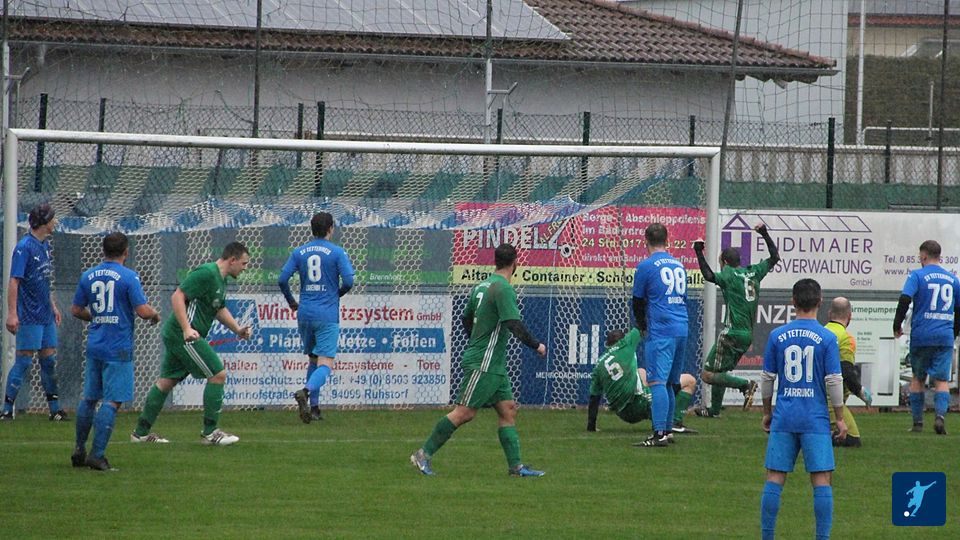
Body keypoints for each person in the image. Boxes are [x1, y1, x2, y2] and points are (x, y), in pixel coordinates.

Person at [410, 243, 547, 477]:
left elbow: (465, 319)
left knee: (508, 410)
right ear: (516, 263)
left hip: (494, 364)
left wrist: (476, 340)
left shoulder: (482, 286)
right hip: (485, 362)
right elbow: (512, 323)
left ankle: (516, 467)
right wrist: (536, 345)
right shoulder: (503, 288)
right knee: (464, 413)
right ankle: (423, 454)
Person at [130, 241, 252, 445]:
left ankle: (140, 434)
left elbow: (218, 308)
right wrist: (186, 328)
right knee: (218, 374)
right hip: (183, 334)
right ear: (232, 260)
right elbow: (177, 296)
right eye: (244, 263)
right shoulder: (207, 273)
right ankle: (210, 433)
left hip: (180, 333)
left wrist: (237, 329)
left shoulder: (220, 279)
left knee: (166, 382)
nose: (245, 268)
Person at [759, 278, 846, 540]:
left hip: (784, 416)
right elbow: (834, 381)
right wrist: (840, 418)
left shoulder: (777, 336)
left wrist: (767, 411)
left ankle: (767, 536)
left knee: (775, 477)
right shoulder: (827, 338)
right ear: (820, 302)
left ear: (793, 301)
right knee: (821, 479)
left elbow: (767, 378)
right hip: (814, 418)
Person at [70, 232, 161, 471]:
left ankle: (79, 450)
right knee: (112, 401)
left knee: (89, 398)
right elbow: (142, 311)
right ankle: (97, 455)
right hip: (118, 347)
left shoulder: (88, 275)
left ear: (103, 250)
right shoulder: (129, 276)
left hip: (95, 345)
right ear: (126, 252)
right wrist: (155, 314)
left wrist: (97, 318)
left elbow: (76, 310)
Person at [691, 224, 779, 420]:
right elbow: (775, 257)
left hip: (731, 333)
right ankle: (714, 410)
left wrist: (698, 252)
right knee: (721, 370)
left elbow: (708, 276)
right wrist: (764, 233)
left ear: (724, 262)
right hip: (747, 335)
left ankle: (745, 385)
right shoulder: (754, 272)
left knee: (707, 375)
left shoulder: (729, 274)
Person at [280, 212, 355, 423]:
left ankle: (314, 408)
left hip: (305, 313)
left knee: (313, 359)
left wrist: (291, 301)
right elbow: (349, 282)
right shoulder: (337, 252)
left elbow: (282, 279)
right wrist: (336, 294)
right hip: (326, 314)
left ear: (312, 229)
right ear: (331, 228)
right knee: (325, 364)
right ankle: (305, 391)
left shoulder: (299, 252)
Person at [2, 203, 66, 421]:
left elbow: (43, 280)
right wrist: (12, 313)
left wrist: (53, 305)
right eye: (52, 219)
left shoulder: (45, 245)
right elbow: (14, 281)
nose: (55, 222)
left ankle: (55, 410)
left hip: (45, 315)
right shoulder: (24, 247)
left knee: (49, 360)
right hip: (29, 314)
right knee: (24, 361)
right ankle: (6, 409)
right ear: (44, 222)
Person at [893, 240, 959, 435]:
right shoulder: (953, 279)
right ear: (939, 256)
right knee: (941, 380)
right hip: (944, 336)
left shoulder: (916, 275)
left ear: (923, 256)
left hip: (922, 335)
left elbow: (905, 299)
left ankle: (917, 423)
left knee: (918, 378)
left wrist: (896, 325)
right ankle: (940, 417)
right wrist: (954, 332)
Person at [631, 222, 688, 447]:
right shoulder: (678, 264)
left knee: (656, 382)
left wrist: (642, 325)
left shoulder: (646, 266)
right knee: (671, 382)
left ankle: (659, 433)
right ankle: (668, 430)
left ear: (645, 240)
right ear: (667, 240)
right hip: (681, 327)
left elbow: (637, 301)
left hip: (661, 329)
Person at [587, 328, 698, 434]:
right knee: (689, 381)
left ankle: (661, 418)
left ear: (607, 345)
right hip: (639, 403)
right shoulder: (625, 343)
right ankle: (674, 421)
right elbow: (640, 327)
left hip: (624, 414)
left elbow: (594, 397)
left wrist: (591, 425)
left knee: (641, 371)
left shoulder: (599, 365)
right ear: (623, 339)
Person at [824, 297, 873, 448]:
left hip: (813, 396)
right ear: (849, 316)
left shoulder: (821, 332)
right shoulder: (846, 338)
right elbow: (846, 371)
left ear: (829, 314)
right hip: (829, 399)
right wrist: (861, 392)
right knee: (852, 440)